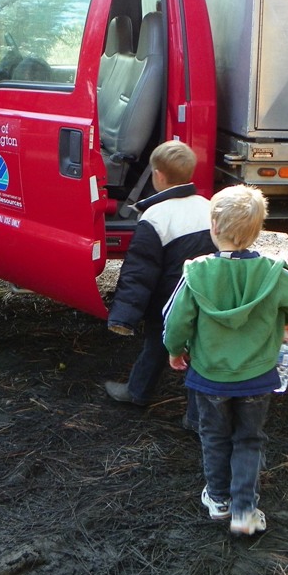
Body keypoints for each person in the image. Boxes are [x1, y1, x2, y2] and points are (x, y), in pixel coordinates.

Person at [163, 185, 288, 535]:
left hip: (210, 376)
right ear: (258, 230)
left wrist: (175, 350)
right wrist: (287, 319)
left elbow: (176, 321)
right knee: (249, 438)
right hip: (257, 375)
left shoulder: (197, 273)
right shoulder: (273, 272)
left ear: (213, 227)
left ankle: (218, 500)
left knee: (214, 436)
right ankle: (245, 510)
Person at [104, 140, 214, 411]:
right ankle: (197, 416)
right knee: (203, 353)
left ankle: (137, 392)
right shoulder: (208, 206)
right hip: (208, 295)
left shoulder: (154, 217)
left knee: (156, 345)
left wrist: (123, 317)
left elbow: (140, 272)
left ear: (159, 175)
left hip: (170, 302)